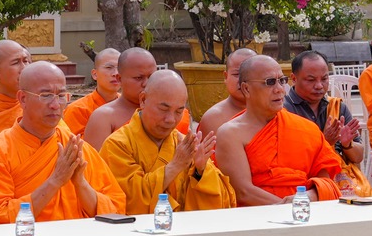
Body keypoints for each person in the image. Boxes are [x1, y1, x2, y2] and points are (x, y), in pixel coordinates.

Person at [0, 61, 125, 222]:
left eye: (61, 96)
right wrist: (56, 181)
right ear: (23, 98)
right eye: (46, 96)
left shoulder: (75, 148)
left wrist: (80, 183)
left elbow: (115, 210)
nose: (55, 105)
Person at [216, 56, 358, 204]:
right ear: (246, 89)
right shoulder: (230, 134)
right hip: (257, 215)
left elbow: (326, 183)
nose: (279, 89)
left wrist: (307, 197)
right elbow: (243, 192)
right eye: (270, 82)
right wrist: (288, 206)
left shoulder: (307, 129)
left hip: (306, 211)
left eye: (282, 81)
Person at [98, 67, 234, 212]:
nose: (170, 119)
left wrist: (200, 171)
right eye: (163, 109)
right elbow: (126, 201)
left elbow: (223, 204)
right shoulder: (117, 145)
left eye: (179, 111)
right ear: (143, 100)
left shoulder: (185, 146)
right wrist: (175, 166)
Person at [285, 49, 370, 187]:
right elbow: (287, 160)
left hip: (340, 180)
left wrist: (347, 144)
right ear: (294, 79)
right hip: (301, 184)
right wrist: (324, 142)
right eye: (311, 80)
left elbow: (358, 157)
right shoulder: (284, 110)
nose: (319, 86)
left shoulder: (337, 107)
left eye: (324, 79)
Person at [83, 48, 186, 151]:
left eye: (151, 77)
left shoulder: (175, 113)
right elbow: (96, 160)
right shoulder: (103, 117)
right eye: (138, 78)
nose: (146, 83)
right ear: (119, 79)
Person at [197, 47, 257, 138]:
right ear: (226, 77)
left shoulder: (272, 112)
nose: (243, 81)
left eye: (251, 74)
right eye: (236, 74)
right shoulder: (214, 118)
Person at [62, 48, 121, 136]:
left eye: (120, 68)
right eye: (109, 67)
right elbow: (73, 142)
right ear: (95, 74)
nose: (116, 73)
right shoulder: (77, 109)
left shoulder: (131, 107)